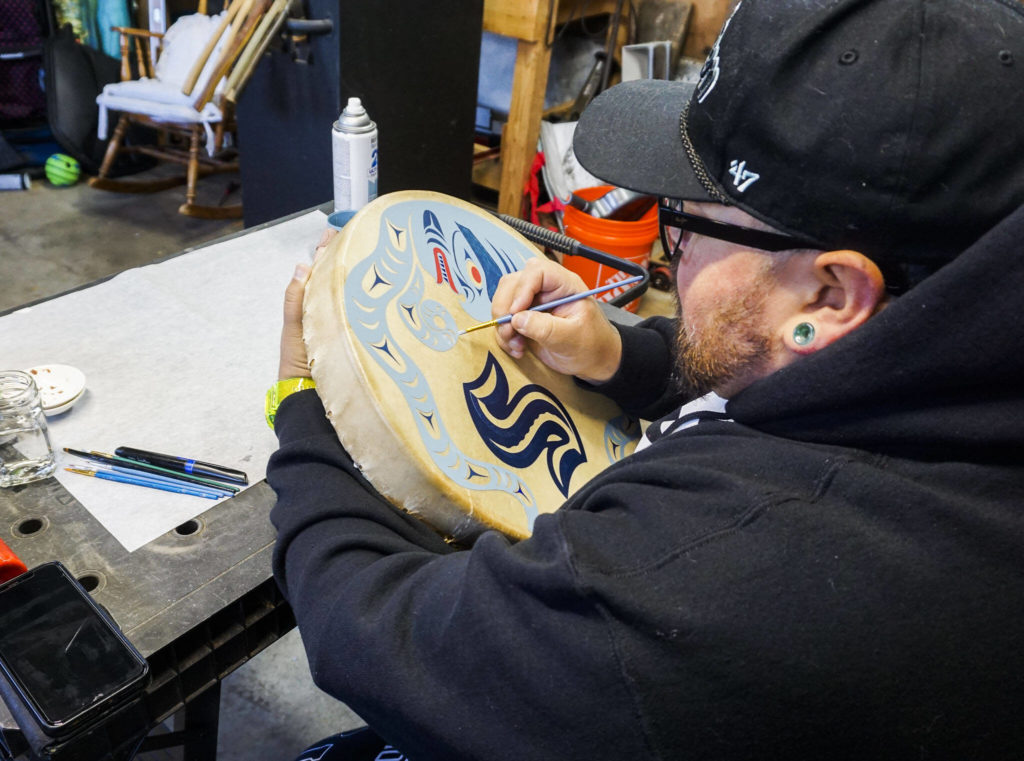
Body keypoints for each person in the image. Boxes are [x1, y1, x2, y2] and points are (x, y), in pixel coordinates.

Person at [267, 0, 1024, 758]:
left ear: (830, 294)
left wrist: (308, 410)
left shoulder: (709, 575)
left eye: (690, 225)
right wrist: (627, 357)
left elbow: (380, 635)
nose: (671, 259)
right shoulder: (972, 343)